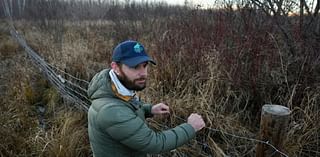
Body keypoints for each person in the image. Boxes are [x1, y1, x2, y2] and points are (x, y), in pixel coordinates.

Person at [87, 40, 205, 157]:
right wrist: (190, 128)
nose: (143, 73)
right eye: (135, 67)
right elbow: (154, 143)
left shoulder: (114, 88)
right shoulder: (110, 111)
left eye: (145, 66)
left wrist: (149, 109)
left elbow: (125, 108)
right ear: (116, 67)